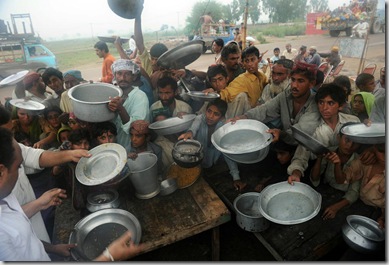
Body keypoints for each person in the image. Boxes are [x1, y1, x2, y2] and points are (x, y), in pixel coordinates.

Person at [0, 127, 143, 261]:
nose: (20, 172)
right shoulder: (2, 237)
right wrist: (108, 257)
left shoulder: (6, 199)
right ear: (1, 171)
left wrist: (53, 248)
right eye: (19, 166)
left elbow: (26, 240)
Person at [228, 61, 320, 147]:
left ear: (311, 84)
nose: (294, 85)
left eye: (300, 81)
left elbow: (302, 132)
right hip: (284, 139)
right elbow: (265, 109)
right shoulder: (285, 96)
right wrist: (243, 117)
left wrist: (281, 133)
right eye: (293, 80)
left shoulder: (316, 103)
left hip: (304, 149)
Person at [287, 83, 360, 184]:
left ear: (341, 106)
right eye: (321, 102)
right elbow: (300, 157)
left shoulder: (353, 122)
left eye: (330, 103)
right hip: (317, 173)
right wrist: (296, 173)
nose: (324, 108)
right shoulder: (311, 128)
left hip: (347, 174)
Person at [178, 99, 246, 191]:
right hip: (196, 163)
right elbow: (193, 128)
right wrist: (189, 133)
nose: (210, 116)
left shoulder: (223, 128)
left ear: (222, 117)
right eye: (209, 111)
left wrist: (236, 177)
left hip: (214, 164)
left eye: (216, 114)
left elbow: (227, 153)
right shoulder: (200, 119)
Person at [309, 122, 362, 220]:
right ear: (338, 138)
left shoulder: (359, 162)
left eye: (355, 143)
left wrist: (336, 207)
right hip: (326, 190)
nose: (350, 146)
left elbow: (354, 192)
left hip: (343, 199)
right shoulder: (329, 152)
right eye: (347, 140)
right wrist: (319, 159)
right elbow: (315, 178)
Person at [208, 46, 268, 119]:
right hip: (248, 114)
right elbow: (227, 93)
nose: (250, 64)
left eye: (253, 60)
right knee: (242, 96)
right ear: (243, 63)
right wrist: (214, 94)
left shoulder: (262, 76)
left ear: (259, 59)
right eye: (247, 61)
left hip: (260, 111)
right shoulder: (241, 79)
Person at [340, 142, 385, 228]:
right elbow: (343, 179)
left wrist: (383, 218)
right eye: (382, 151)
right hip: (359, 203)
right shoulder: (367, 160)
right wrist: (337, 164)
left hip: (378, 212)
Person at [108, 59, 150, 148]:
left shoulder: (140, 96)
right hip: (113, 145)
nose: (123, 78)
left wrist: (120, 109)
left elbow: (137, 128)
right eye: (119, 74)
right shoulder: (112, 94)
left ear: (133, 77)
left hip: (132, 147)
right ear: (115, 76)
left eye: (127, 74)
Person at [133, 2, 168, 77]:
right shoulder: (147, 64)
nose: (154, 62)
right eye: (153, 59)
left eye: (157, 60)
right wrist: (137, 16)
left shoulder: (169, 70)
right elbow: (139, 43)